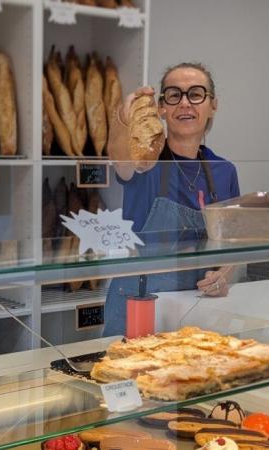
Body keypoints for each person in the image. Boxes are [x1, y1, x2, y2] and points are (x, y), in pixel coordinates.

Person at [103, 62, 241, 336]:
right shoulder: (147, 161)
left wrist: (224, 275)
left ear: (213, 105)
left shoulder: (224, 171)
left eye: (196, 94)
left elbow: (234, 246)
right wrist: (122, 118)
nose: (185, 103)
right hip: (140, 304)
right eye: (175, 95)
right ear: (162, 108)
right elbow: (121, 158)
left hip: (195, 309)